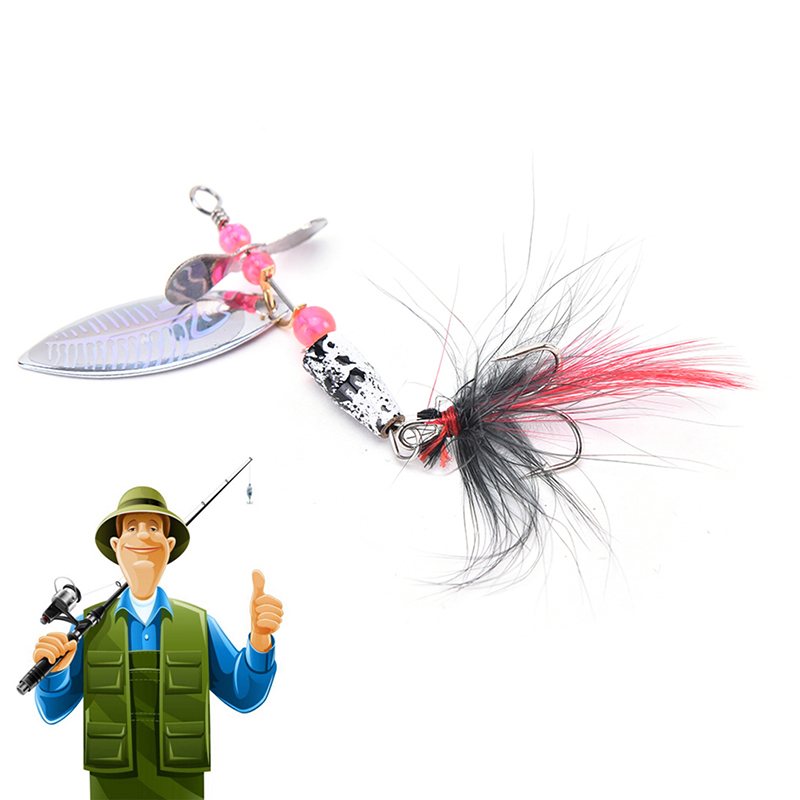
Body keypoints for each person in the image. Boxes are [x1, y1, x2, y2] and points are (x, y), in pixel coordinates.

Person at [31, 486, 283, 800]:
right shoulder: (85, 629)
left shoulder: (199, 623)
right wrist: (53, 672)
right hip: (110, 786)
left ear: (169, 545)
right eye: (131, 528)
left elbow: (243, 694)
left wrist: (260, 639)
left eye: (153, 528)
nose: (143, 537)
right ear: (116, 546)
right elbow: (52, 711)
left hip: (181, 785)